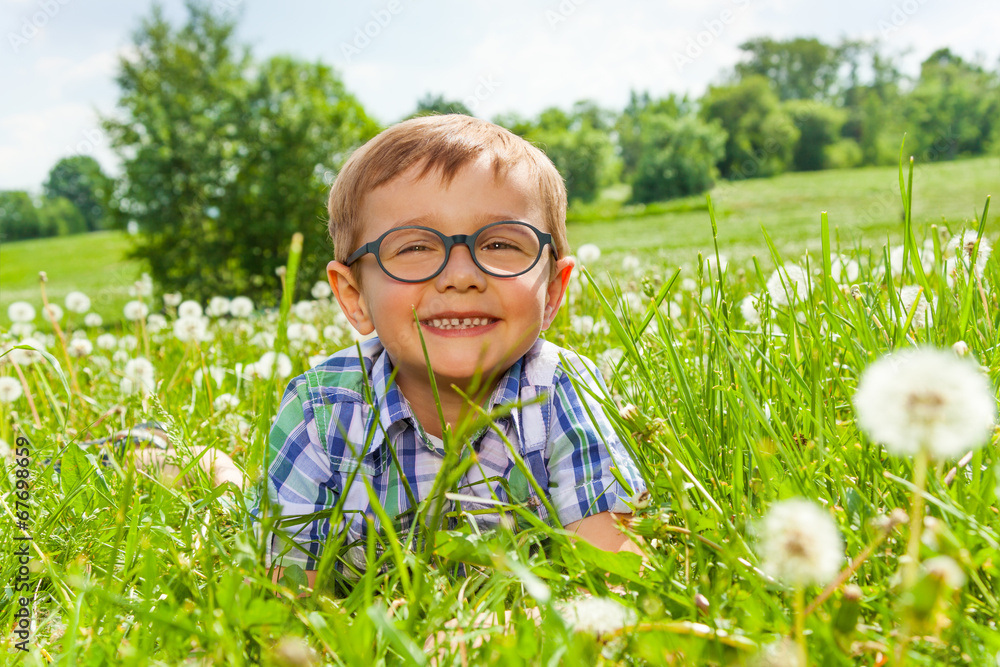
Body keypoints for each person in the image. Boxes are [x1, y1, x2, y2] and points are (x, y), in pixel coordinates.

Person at [259, 114, 645, 589]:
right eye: (415, 247)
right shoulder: (319, 411)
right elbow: (288, 604)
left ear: (552, 293)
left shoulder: (563, 391)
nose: (461, 275)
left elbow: (615, 576)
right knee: (235, 492)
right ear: (354, 297)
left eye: (501, 243)